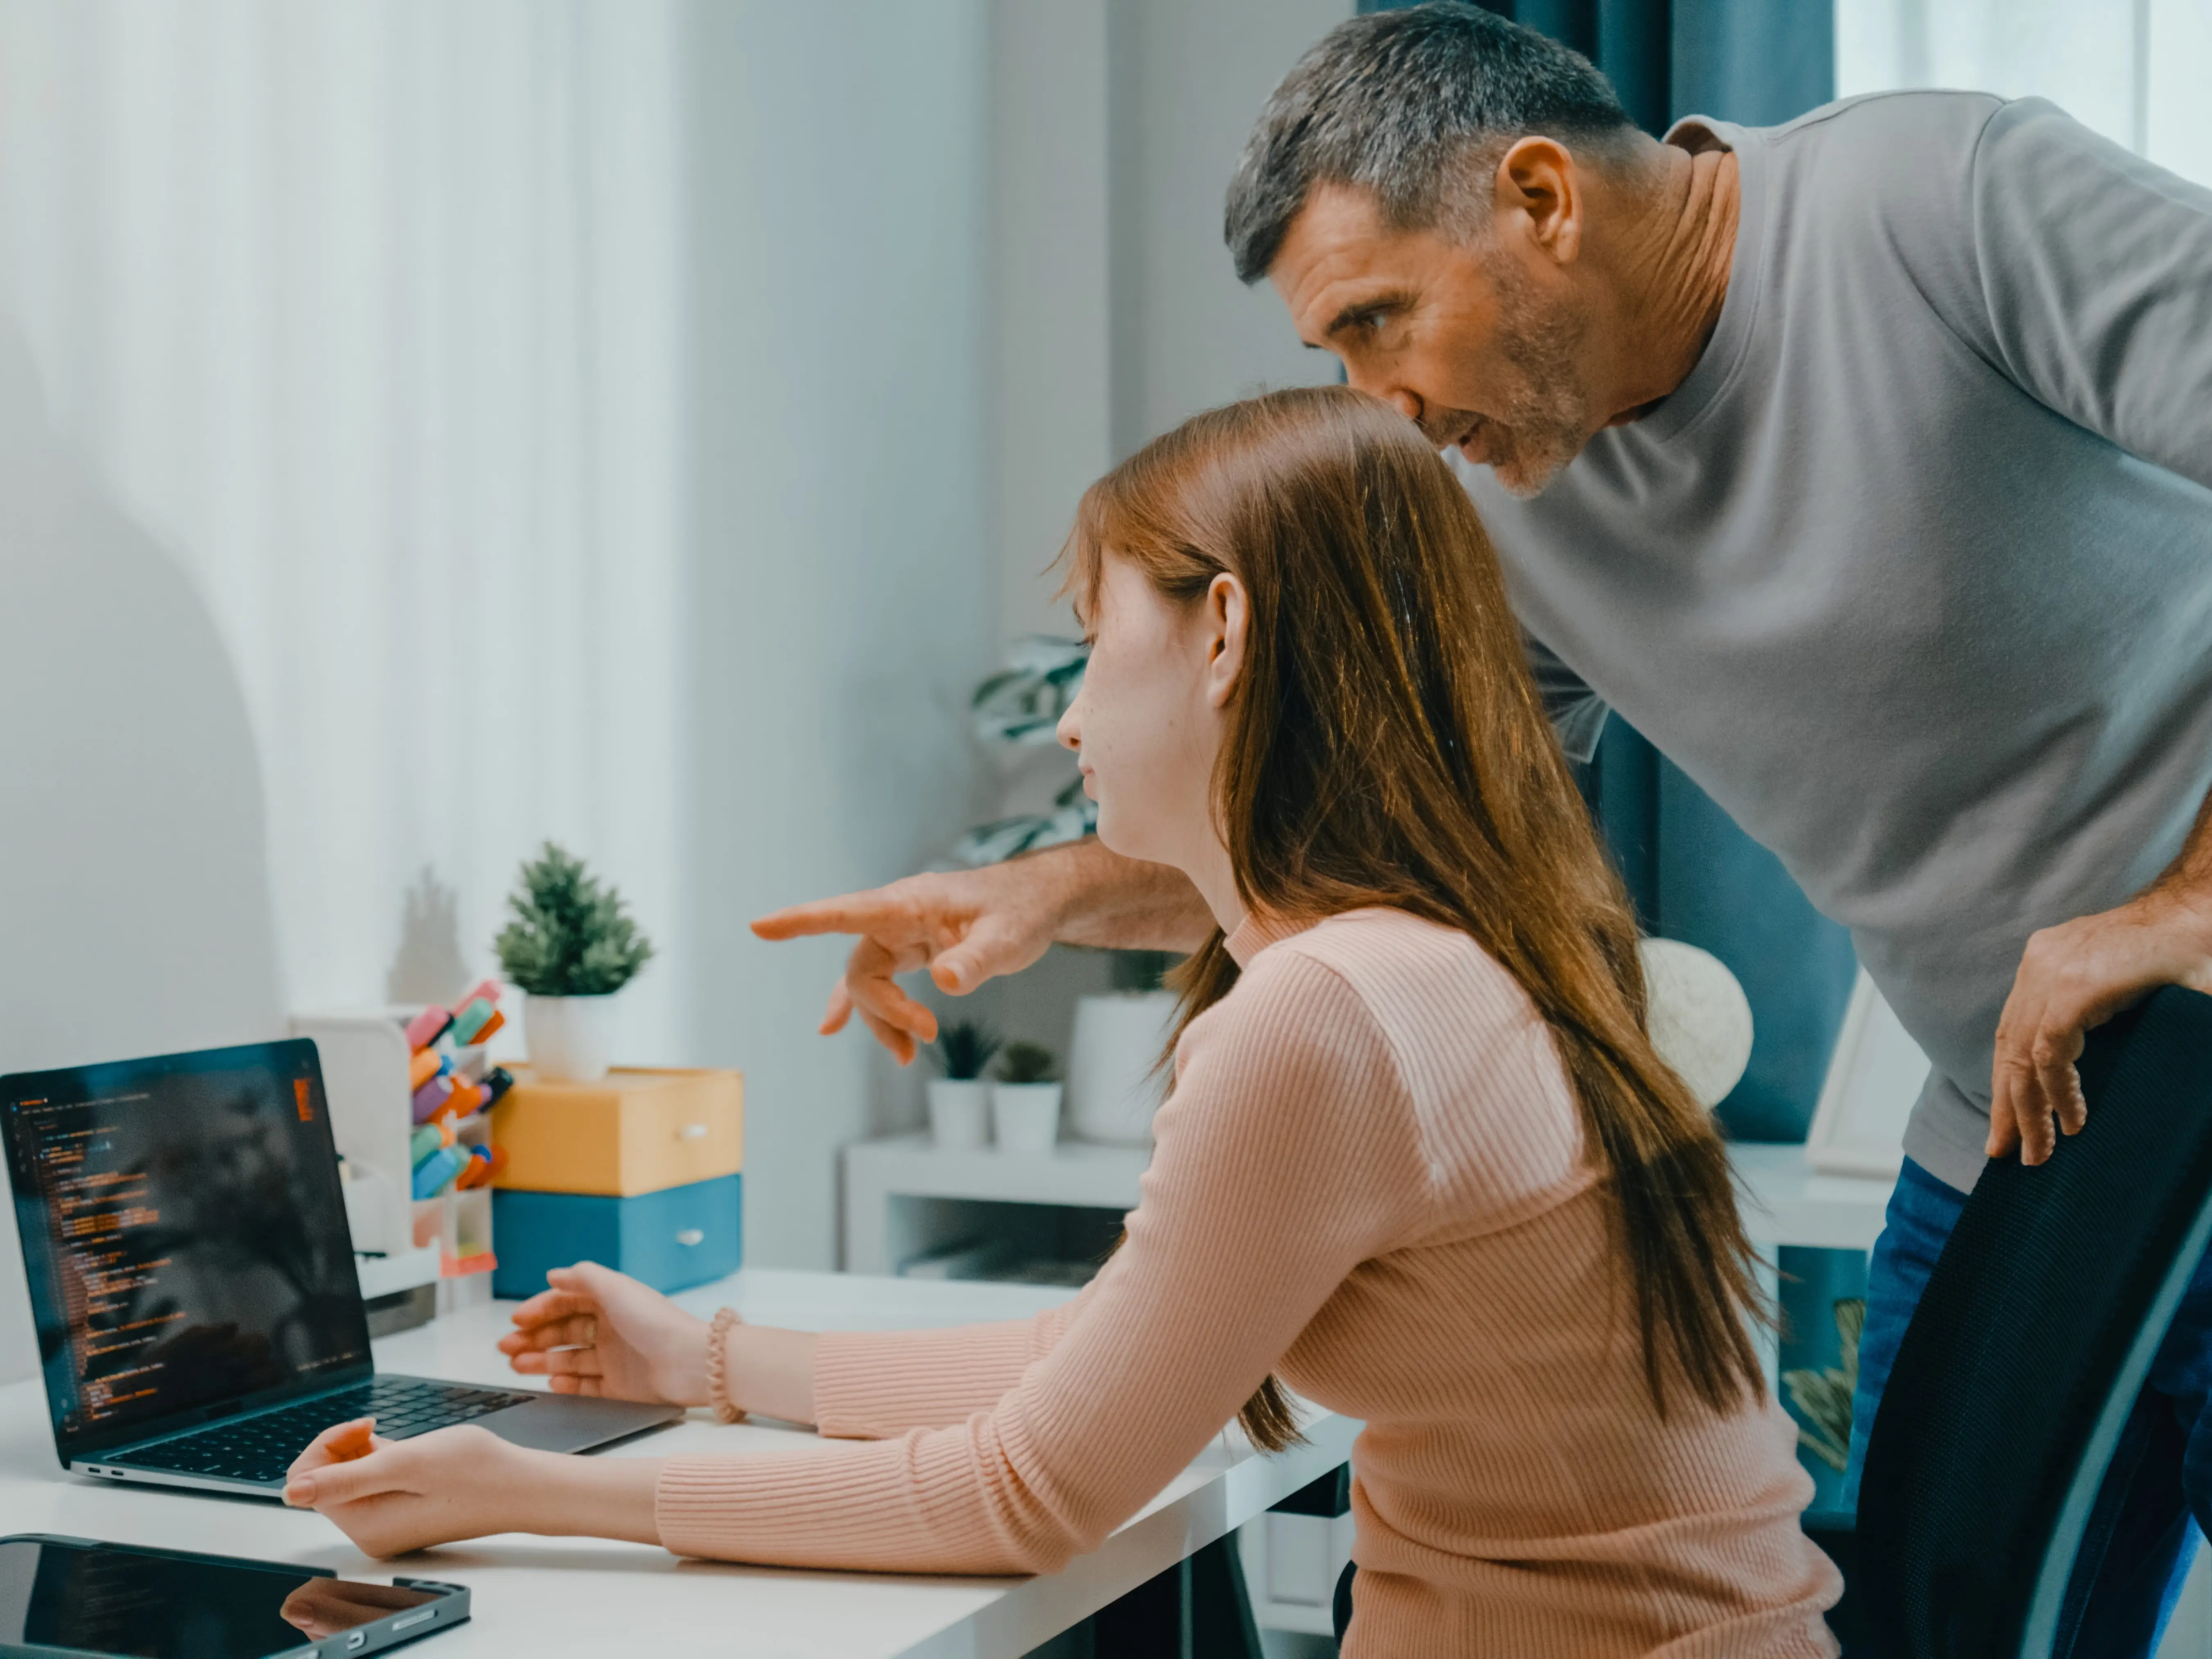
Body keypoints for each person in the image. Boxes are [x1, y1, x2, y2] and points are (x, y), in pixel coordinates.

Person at [759, 9, 2212, 1650]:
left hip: (2192, 1037)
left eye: (1383, 321)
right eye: (1340, 355)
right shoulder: (1521, 506)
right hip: (2016, 1105)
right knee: (1949, 1620)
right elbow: (1363, 833)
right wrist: (1033, 900)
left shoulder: (1942, 202)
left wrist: (2183, 904)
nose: (1384, 401)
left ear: (1541, 195)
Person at [286, 387, 1842, 1657]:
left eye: (1100, 644)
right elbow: (1114, 1358)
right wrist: (707, 1358)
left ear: (1223, 633)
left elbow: (1033, 1488)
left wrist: (526, 1496)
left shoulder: (1334, 1016)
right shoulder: (1463, 948)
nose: (1079, 715)